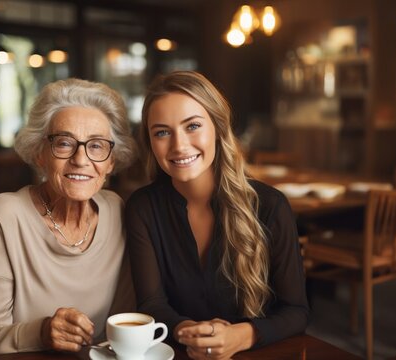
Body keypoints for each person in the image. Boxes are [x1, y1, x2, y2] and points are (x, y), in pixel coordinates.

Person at [0, 78, 136, 359]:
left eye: (97, 146)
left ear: (111, 161)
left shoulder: (118, 212)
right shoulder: (6, 214)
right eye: (64, 143)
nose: (81, 159)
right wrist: (41, 332)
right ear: (40, 153)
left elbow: (120, 328)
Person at [125, 71, 309, 359]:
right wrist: (189, 332)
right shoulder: (142, 207)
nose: (179, 145)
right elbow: (151, 304)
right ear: (150, 143)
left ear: (218, 128)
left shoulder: (271, 206)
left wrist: (240, 336)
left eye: (193, 126)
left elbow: (296, 312)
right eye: (162, 132)